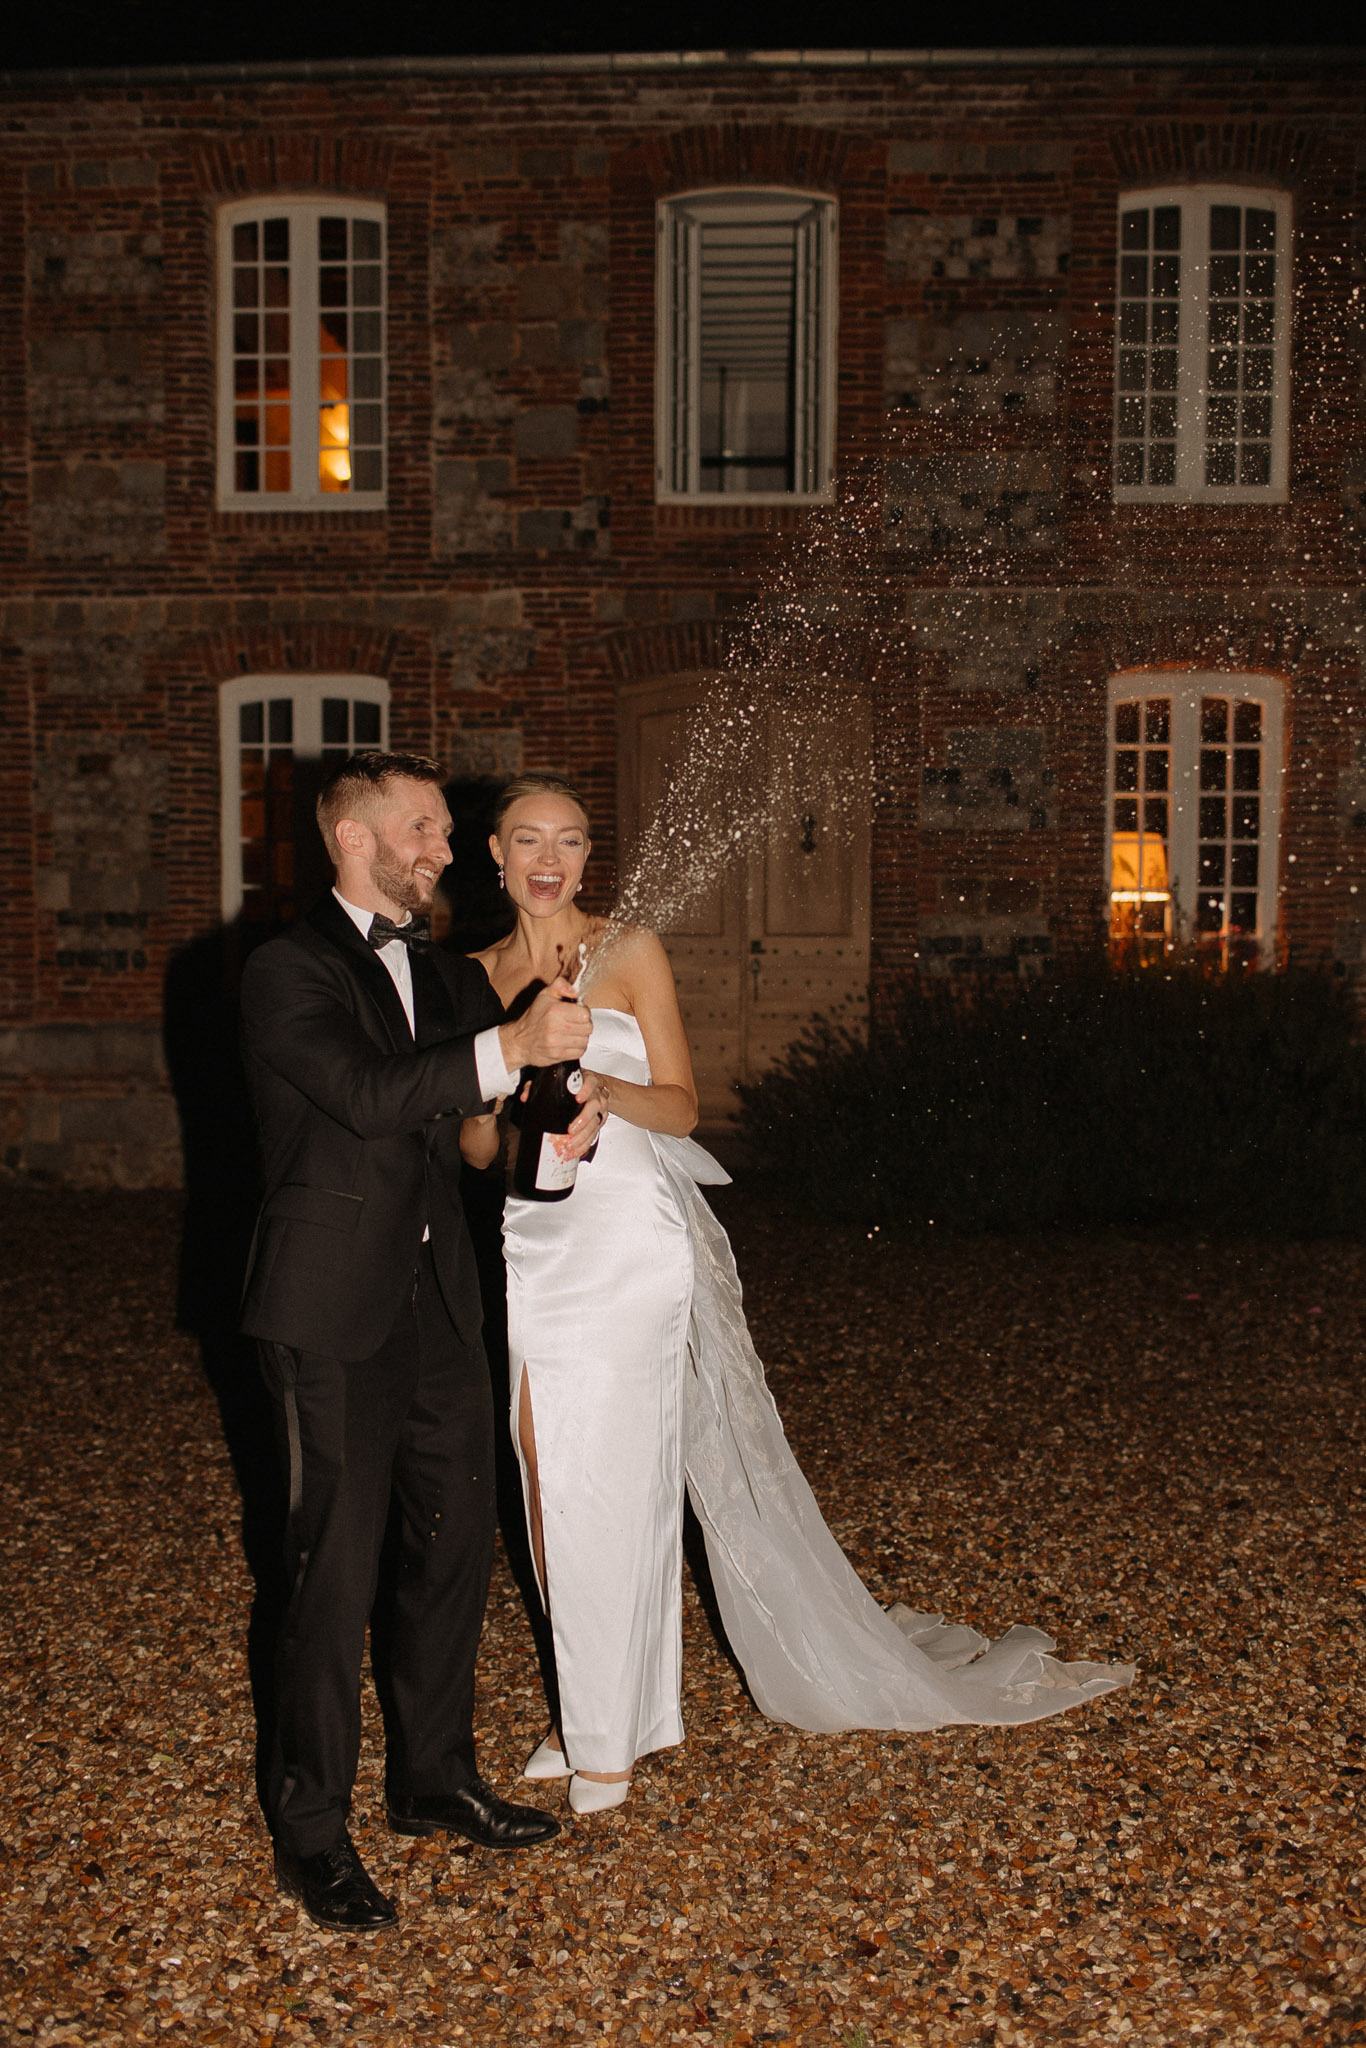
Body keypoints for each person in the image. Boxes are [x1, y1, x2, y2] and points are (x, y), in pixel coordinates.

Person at [472, 774, 1134, 1817]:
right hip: (534, 1234)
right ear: (496, 854)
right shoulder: (478, 973)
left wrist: (600, 1087)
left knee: (625, 1483)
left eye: (570, 839)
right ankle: (592, 1702)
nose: (548, 857)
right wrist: (513, 1073)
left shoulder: (628, 951)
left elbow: (684, 1106)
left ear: (588, 857)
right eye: (527, 838)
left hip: (627, 1237)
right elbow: (471, 1141)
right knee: (543, 1481)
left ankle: (603, 1732)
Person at [239, 751, 605, 1931]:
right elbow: (367, 1092)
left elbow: (481, 1124)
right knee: (330, 1572)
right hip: (329, 1311)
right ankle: (312, 1832)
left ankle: (434, 1774)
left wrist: (563, 1119)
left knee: (449, 1549)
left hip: (443, 1302)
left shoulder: (445, 975)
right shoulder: (282, 972)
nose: (447, 849)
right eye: (427, 829)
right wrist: (511, 1049)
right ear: (356, 838)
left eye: (448, 831)